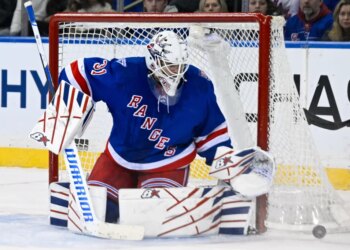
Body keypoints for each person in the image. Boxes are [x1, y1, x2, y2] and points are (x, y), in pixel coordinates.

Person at [58, 30, 232, 222]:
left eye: (179, 66)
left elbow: (212, 135)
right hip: (119, 158)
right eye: (168, 65)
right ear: (153, 61)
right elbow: (77, 72)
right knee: (99, 213)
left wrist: (229, 169)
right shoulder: (125, 74)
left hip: (168, 163)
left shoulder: (199, 85)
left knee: (150, 217)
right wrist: (65, 111)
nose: (174, 72)